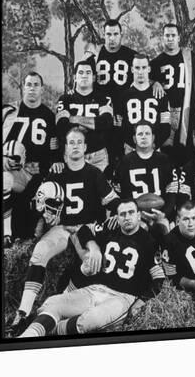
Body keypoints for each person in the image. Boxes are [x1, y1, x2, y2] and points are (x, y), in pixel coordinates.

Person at [11, 127, 119, 334]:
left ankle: (61, 307)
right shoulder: (56, 171)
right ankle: (22, 313)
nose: (76, 146)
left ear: (85, 147)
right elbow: (39, 203)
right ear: (65, 147)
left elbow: (112, 201)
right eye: (71, 142)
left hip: (86, 228)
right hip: (63, 227)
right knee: (40, 251)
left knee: (92, 265)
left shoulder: (94, 173)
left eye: (79, 142)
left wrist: (118, 213)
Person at [18, 199, 165, 337]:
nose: (127, 217)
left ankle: (49, 330)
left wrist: (141, 301)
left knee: (91, 320)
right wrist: (93, 247)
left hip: (122, 297)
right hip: (96, 289)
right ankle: (26, 337)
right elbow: (83, 230)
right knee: (54, 303)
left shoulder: (149, 242)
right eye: (123, 214)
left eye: (131, 212)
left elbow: (159, 278)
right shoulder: (110, 228)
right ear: (117, 218)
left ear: (139, 215)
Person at [2, 72, 60, 243]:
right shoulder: (11, 113)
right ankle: (6, 234)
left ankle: (39, 231)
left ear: (42, 89)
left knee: (43, 199)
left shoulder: (49, 116)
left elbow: (53, 149)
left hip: (38, 172)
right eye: (28, 84)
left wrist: (47, 167)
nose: (32, 88)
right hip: (16, 171)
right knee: (4, 179)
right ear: (23, 87)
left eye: (36, 85)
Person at [150, 23, 195, 164]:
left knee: (190, 150)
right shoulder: (157, 62)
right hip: (167, 113)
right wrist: (154, 82)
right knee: (168, 152)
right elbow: (146, 82)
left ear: (178, 38)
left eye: (173, 35)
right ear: (162, 38)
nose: (170, 39)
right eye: (167, 36)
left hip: (189, 111)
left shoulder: (190, 57)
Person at [113, 121, 177, 236]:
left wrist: (164, 214)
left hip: (160, 212)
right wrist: (133, 213)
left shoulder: (165, 160)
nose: (143, 137)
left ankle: (164, 253)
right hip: (134, 215)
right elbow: (120, 196)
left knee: (165, 227)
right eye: (140, 134)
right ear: (134, 138)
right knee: (138, 230)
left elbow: (172, 193)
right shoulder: (124, 162)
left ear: (153, 137)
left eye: (147, 133)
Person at [56, 60, 113, 172]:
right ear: (75, 77)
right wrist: (93, 124)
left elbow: (106, 123)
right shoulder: (65, 99)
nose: (84, 76)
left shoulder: (103, 98)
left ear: (93, 77)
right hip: (72, 154)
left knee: (99, 188)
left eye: (88, 73)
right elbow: (62, 126)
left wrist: (75, 119)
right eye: (81, 72)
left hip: (98, 156)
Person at [116, 54, 171, 154]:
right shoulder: (123, 96)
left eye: (144, 67)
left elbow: (166, 126)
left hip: (154, 148)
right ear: (132, 69)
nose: (140, 72)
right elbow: (118, 126)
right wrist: (132, 143)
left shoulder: (160, 94)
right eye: (137, 68)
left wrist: (154, 144)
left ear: (149, 69)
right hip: (130, 149)